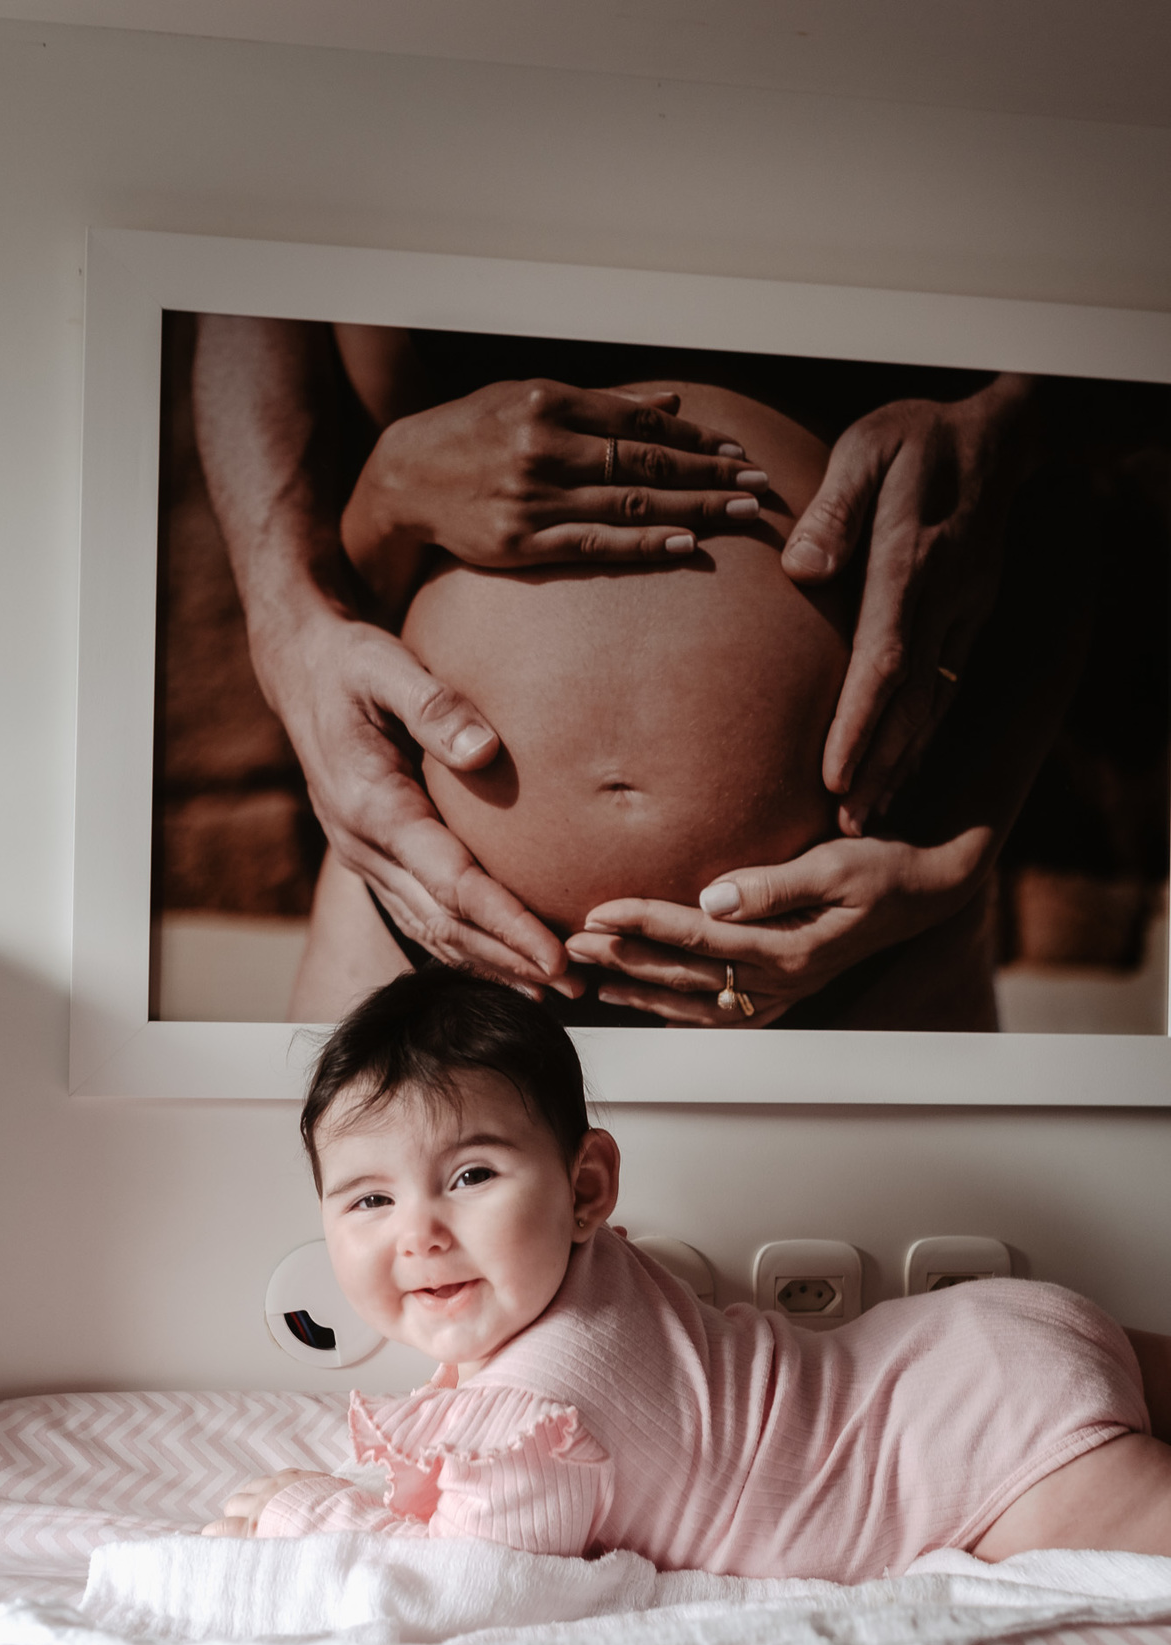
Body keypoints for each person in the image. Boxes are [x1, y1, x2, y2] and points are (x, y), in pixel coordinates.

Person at [194, 318, 1052, 1028]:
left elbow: (1082, 451)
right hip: (424, 909)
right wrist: (294, 627)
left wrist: (1017, 418)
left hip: (869, 921)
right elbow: (243, 280)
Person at [204, 968, 1171, 1577]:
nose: (419, 1233)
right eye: (370, 1200)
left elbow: (463, 1581)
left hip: (985, 1464)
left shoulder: (537, 1415)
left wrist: (312, 1512)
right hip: (979, 1337)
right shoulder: (591, 1267)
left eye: (470, 1177)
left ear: (585, 1189)